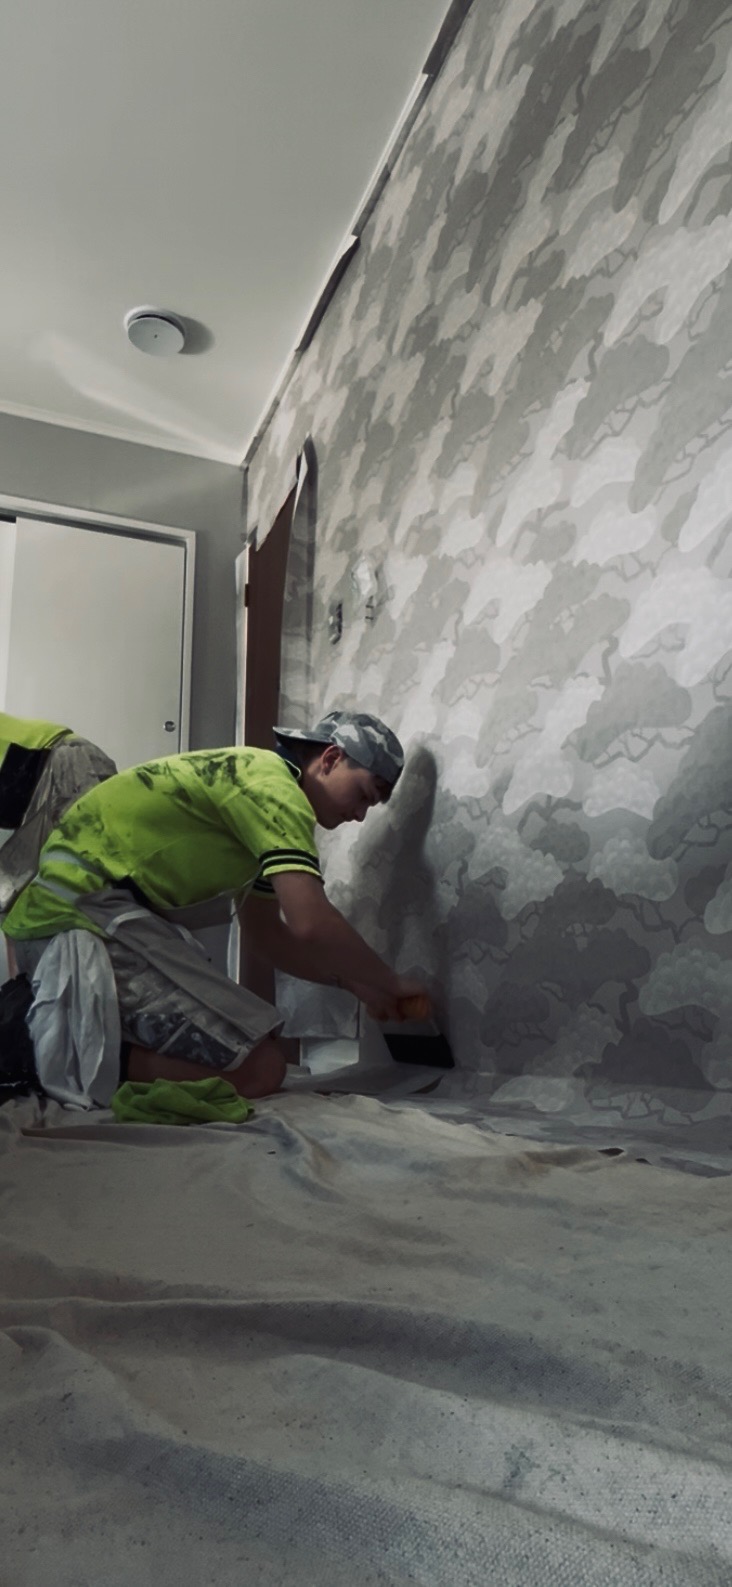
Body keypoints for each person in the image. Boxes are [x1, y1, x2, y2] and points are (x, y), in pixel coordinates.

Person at [3, 710, 430, 1104]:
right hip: (79, 916)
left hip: (73, 916)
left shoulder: (259, 804)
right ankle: (27, 1050)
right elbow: (310, 922)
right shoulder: (272, 787)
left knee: (259, 1063)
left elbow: (268, 934)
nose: (359, 816)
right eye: (363, 795)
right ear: (332, 758)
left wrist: (354, 984)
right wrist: (390, 983)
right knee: (259, 1070)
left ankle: (52, 1041)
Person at [0, 711, 117, 927]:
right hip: (37, 787)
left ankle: (156, 953)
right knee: (20, 906)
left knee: (84, 891)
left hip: (63, 764)